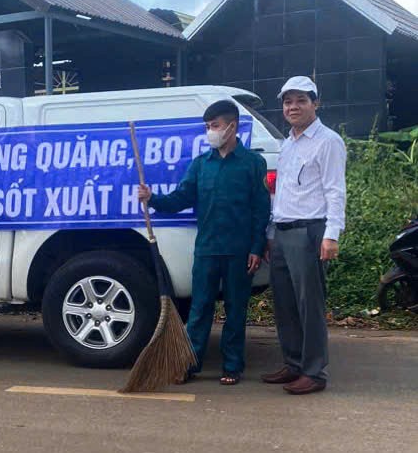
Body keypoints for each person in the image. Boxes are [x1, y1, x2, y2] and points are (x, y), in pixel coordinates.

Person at [138, 100, 271, 385]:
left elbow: (261, 211)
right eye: (207, 127)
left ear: (231, 127)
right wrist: (153, 199)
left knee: (236, 310)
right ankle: (189, 363)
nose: (210, 132)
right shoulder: (200, 165)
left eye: (214, 126)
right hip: (207, 250)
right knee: (199, 310)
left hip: (239, 252)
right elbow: (181, 198)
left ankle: (232, 366)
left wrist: (256, 248)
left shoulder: (253, 164)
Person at [261, 76, 346, 395]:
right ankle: (294, 363)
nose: (293, 107)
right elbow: (280, 192)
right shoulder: (289, 143)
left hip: (310, 231)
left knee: (308, 304)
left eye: (301, 100)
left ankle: (314, 372)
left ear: (315, 103)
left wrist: (331, 234)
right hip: (283, 233)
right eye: (287, 101)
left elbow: (335, 191)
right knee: (284, 303)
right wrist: (271, 233)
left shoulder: (328, 141)